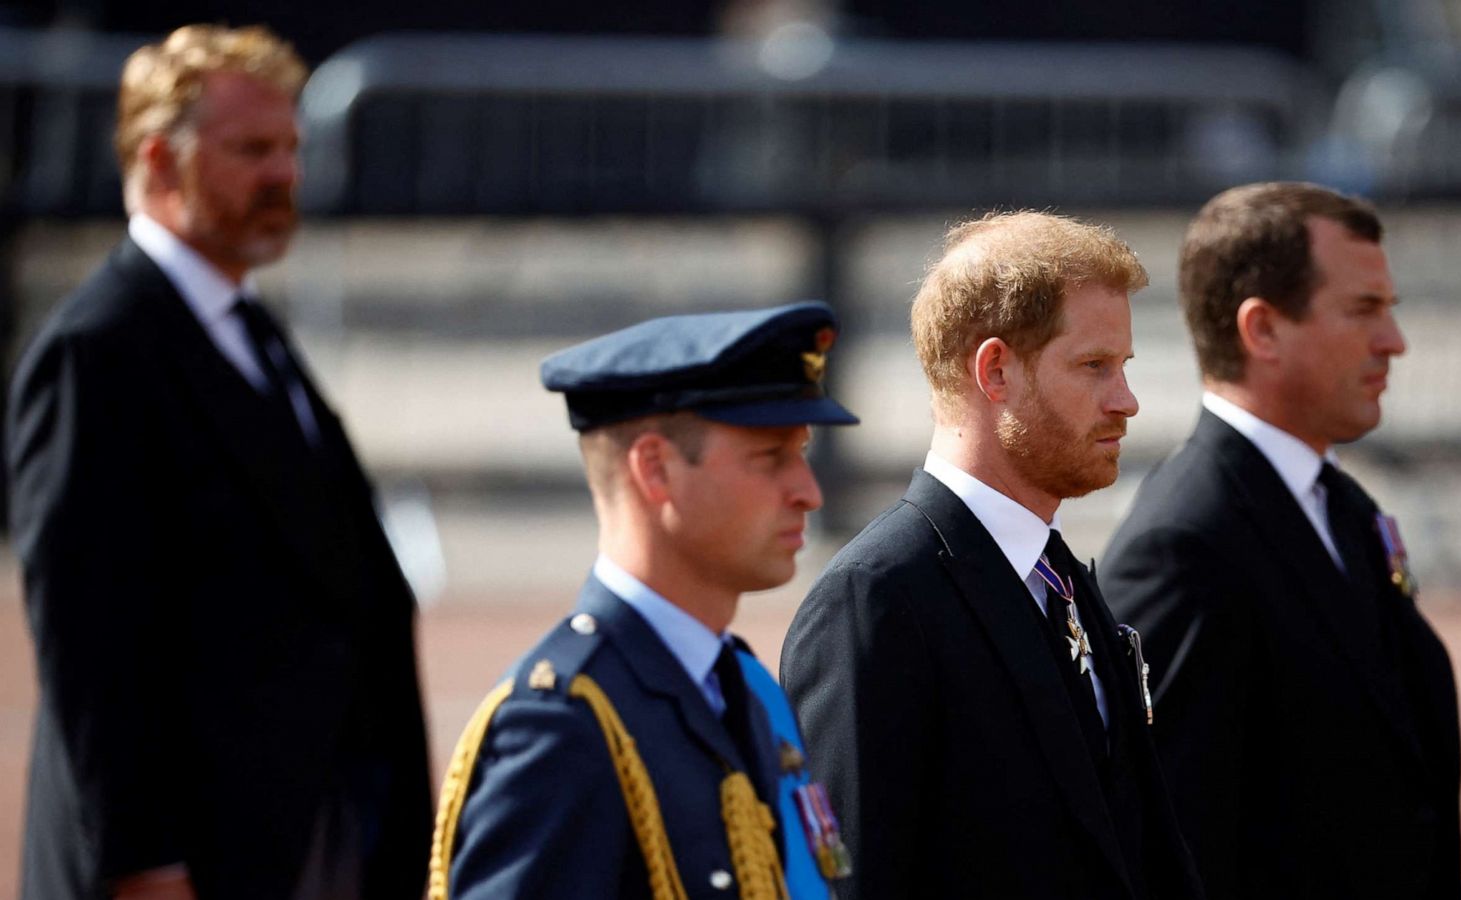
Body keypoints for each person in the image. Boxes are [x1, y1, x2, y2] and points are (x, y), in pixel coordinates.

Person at [6, 25, 433, 900]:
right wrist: (145, 862)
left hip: (297, 825)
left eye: (290, 149)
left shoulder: (247, 329)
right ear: (161, 161)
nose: (284, 175)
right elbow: (91, 646)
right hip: (194, 858)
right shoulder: (100, 350)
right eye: (250, 150)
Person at [782, 212, 1204, 900]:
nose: (1126, 401)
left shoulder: (1059, 578)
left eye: (1122, 367)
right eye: (1094, 367)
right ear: (996, 370)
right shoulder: (877, 600)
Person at [1099, 181, 1461, 899]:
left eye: (1389, 311)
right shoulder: (1185, 544)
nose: (1394, 341)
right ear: (1261, 329)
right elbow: (1171, 845)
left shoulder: (1339, 506)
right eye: (1363, 311)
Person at [433, 302, 859, 899]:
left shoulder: (741, 689)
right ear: (655, 469)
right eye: (771, 458)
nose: (808, 493)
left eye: (803, 455)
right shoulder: (561, 726)